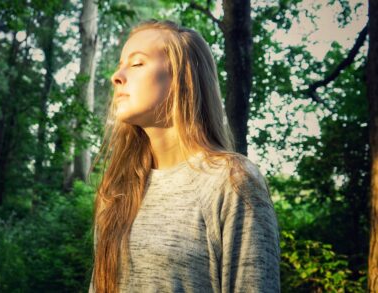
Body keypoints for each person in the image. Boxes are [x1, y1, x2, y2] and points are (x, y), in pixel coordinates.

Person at [88, 19, 280, 293]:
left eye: (137, 63)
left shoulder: (232, 181)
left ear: (183, 77)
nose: (116, 76)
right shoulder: (117, 189)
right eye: (120, 65)